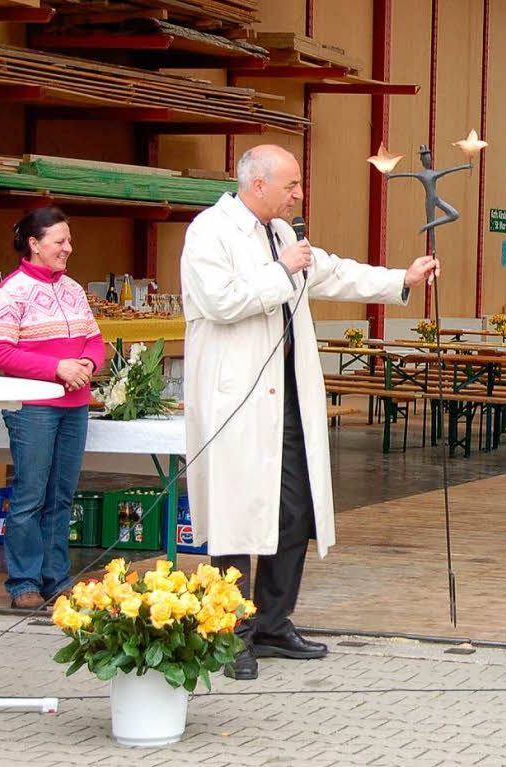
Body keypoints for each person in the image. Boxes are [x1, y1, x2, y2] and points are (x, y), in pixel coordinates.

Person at [181, 145, 439, 680]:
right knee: (236, 517)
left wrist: (402, 280)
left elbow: (333, 273)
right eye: (291, 185)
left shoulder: (281, 234)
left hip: (288, 397)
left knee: (293, 512)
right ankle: (229, 632)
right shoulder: (210, 232)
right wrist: (280, 270)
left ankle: (274, 622)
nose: (299, 195)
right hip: (238, 401)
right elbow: (221, 301)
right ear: (258, 186)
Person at [0, 207, 104, 609]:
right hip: (33, 407)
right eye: (60, 241)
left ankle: (56, 577)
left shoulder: (72, 289)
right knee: (30, 495)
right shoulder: (12, 292)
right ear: (35, 245)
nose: (67, 249)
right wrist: (56, 368)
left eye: (68, 241)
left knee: (62, 495)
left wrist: (87, 364)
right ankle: (23, 582)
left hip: (74, 404)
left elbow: (95, 339)